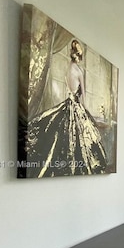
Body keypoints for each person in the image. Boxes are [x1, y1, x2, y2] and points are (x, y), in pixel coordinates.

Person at [24, 39, 108, 178]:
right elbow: (83, 97)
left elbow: (69, 91)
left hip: (68, 103)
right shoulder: (79, 71)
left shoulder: (68, 70)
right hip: (77, 106)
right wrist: (87, 112)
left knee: (63, 135)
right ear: (79, 56)